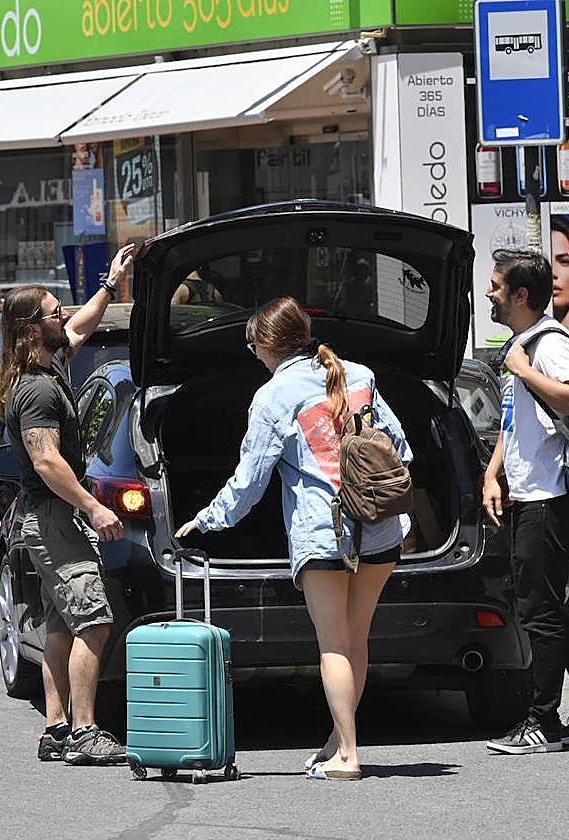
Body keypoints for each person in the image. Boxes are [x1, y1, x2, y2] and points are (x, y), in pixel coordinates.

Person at [174, 297, 411, 782]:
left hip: (324, 534)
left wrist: (207, 520)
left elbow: (250, 481)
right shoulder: (359, 375)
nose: (252, 355)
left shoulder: (273, 397)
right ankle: (337, 740)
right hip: (380, 527)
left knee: (333, 644)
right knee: (356, 639)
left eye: (251, 345)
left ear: (266, 344)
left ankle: (347, 755)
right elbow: (401, 446)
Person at [0, 244, 136, 766]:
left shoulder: (49, 363)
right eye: (55, 313)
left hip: (48, 519)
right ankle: (84, 731)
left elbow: (82, 327)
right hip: (55, 518)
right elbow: (47, 461)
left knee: (59, 624)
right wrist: (93, 507)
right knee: (93, 621)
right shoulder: (35, 390)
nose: (65, 318)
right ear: (34, 329)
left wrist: (110, 281)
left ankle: (56, 728)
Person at [481, 248, 569, 755]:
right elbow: (514, 419)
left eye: (496, 286)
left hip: (551, 494)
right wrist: (493, 473)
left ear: (520, 295)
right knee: (542, 606)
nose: (489, 294)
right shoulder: (522, 343)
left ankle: (543, 721)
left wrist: (524, 369)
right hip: (527, 490)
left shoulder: (547, 343)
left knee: (539, 609)